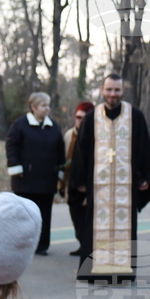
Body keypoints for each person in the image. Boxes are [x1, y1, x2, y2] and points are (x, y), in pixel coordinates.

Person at [72, 74, 150, 282]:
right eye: (109, 90)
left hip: (126, 187)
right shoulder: (92, 117)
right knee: (94, 227)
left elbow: (145, 147)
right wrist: (80, 181)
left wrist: (147, 176)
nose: (113, 94)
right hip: (98, 186)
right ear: (102, 90)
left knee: (125, 227)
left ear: (123, 91)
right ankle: (93, 272)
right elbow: (81, 151)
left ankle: (120, 274)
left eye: (117, 90)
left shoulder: (135, 116)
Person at [6, 92, 66, 256]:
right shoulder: (20, 124)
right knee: (24, 215)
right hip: (25, 180)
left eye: (48, 105)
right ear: (33, 107)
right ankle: (21, 245)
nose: (47, 109)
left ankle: (42, 245)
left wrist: (60, 171)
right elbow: (12, 147)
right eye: (43, 105)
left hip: (47, 180)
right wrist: (16, 167)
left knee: (44, 214)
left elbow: (60, 151)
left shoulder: (54, 126)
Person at [63, 101, 95, 256]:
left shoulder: (95, 136)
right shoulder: (69, 135)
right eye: (78, 117)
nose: (80, 120)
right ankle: (82, 244)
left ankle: (87, 247)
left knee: (87, 218)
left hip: (88, 184)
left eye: (84, 117)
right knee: (75, 214)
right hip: (71, 182)